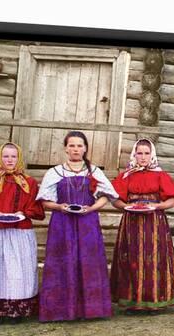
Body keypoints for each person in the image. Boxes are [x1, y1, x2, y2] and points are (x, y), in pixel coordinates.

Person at [36, 131, 119, 321]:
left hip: (87, 223)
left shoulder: (94, 172)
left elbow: (106, 196)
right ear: (65, 148)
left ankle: (91, 309)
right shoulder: (54, 172)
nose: (75, 149)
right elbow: (45, 201)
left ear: (85, 148)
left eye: (79, 145)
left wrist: (91, 209)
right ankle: (60, 311)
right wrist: (59, 206)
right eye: (72, 145)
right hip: (62, 223)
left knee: (88, 261)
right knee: (62, 261)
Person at [0, 142, 45, 324]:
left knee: (19, 270)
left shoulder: (29, 183)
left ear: (19, 158)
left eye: (13, 156)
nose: (9, 160)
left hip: (20, 233)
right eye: (6, 156)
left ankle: (16, 311)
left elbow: (37, 208)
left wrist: (23, 213)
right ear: (0, 158)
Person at [110, 138, 174, 312]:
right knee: (131, 258)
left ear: (152, 155)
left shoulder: (160, 175)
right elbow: (115, 200)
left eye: (147, 153)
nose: (143, 157)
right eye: (139, 153)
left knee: (155, 258)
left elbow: (172, 200)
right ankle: (131, 300)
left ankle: (156, 299)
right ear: (134, 154)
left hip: (154, 222)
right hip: (131, 223)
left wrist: (157, 206)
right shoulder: (126, 175)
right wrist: (126, 206)